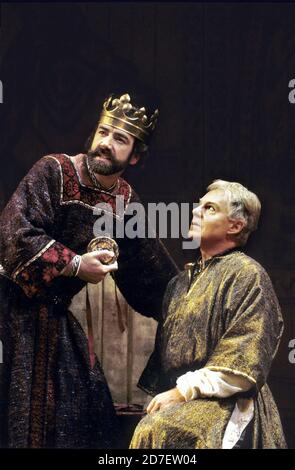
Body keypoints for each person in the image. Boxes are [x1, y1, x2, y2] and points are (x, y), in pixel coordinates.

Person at [0, 93, 178, 448]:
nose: (106, 144)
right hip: (9, 308)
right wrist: (75, 264)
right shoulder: (54, 170)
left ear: (136, 156)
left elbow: (152, 274)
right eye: (103, 132)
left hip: (52, 318)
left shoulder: (125, 202)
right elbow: (14, 235)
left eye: (120, 139)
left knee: (88, 406)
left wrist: (191, 302)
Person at [130, 179, 287, 449]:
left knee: (158, 429)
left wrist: (184, 391)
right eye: (197, 206)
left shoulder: (248, 274)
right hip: (180, 398)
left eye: (210, 208)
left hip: (228, 403)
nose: (195, 212)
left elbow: (245, 361)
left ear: (235, 226)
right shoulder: (178, 284)